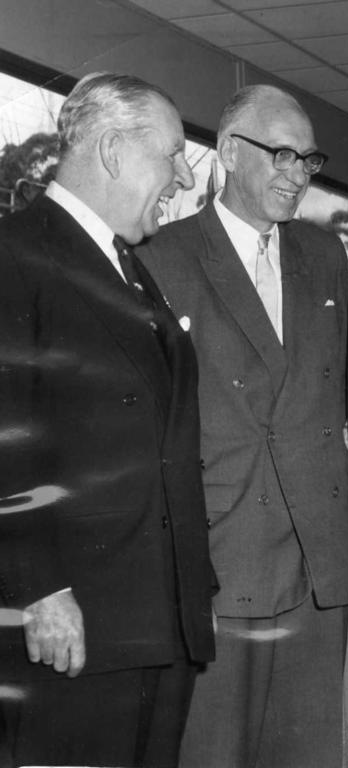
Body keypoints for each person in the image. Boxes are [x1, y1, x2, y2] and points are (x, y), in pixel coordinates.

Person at [137, 84, 348, 768]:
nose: (298, 173)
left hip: (316, 571)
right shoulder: (161, 259)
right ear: (230, 152)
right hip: (217, 567)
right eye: (282, 154)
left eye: (308, 159)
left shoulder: (325, 258)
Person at [0, 72, 215, 768]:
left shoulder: (127, 264)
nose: (183, 177)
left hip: (150, 621)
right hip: (74, 624)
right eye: (173, 154)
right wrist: (40, 590)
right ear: (117, 151)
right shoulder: (15, 253)